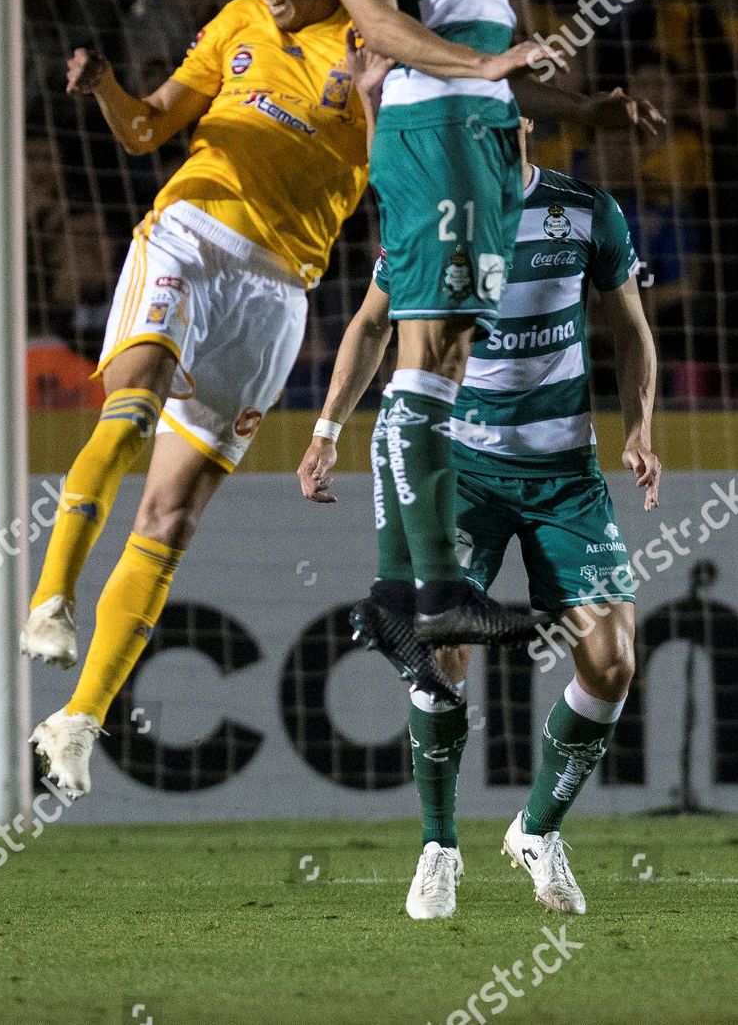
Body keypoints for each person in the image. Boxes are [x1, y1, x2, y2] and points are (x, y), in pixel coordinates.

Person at [24, 0, 381, 797]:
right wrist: (104, 83)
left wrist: (379, 93)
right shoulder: (234, 23)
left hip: (279, 292)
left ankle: (77, 722)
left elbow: (388, 168)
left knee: (171, 519)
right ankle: (50, 599)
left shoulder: (371, 46)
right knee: (134, 407)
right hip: (191, 230)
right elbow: (149, 128)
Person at [306, 0, 660, 648]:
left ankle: (403, 591)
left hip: (483, 135)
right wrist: (480, 64)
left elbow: (500, 73)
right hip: (437, 134)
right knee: (430, 348)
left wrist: (582, 106)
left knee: (445, 344)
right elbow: (380, 25)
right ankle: (427, 593)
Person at [297, 116, 660, 920]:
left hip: (566, 475)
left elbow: (631, 329)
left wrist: (638, 428)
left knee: (613, 661)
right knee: (442, 648)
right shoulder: (434, 218)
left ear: (525, 124)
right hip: (461, 472)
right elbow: (369, 324)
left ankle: (537, 830)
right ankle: (438, 845)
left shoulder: (586, 212)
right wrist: (325, 430)